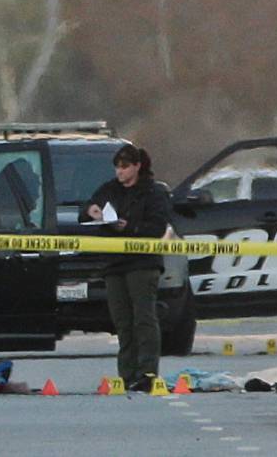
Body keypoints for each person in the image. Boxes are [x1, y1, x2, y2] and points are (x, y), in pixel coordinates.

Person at [79, 144, 171, 392]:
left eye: (125, 167)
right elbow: (84, 211)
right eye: (117, 167)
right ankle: (127, 374)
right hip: (114, 263)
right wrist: (91, 210)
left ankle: (147, 372)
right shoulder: (110, 189)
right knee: (122, 321)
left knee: (144, 318)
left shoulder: (153, 192)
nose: (119, 172)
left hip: (142, 263)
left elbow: (157, 227)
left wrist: (128, 227)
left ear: (137, 166)